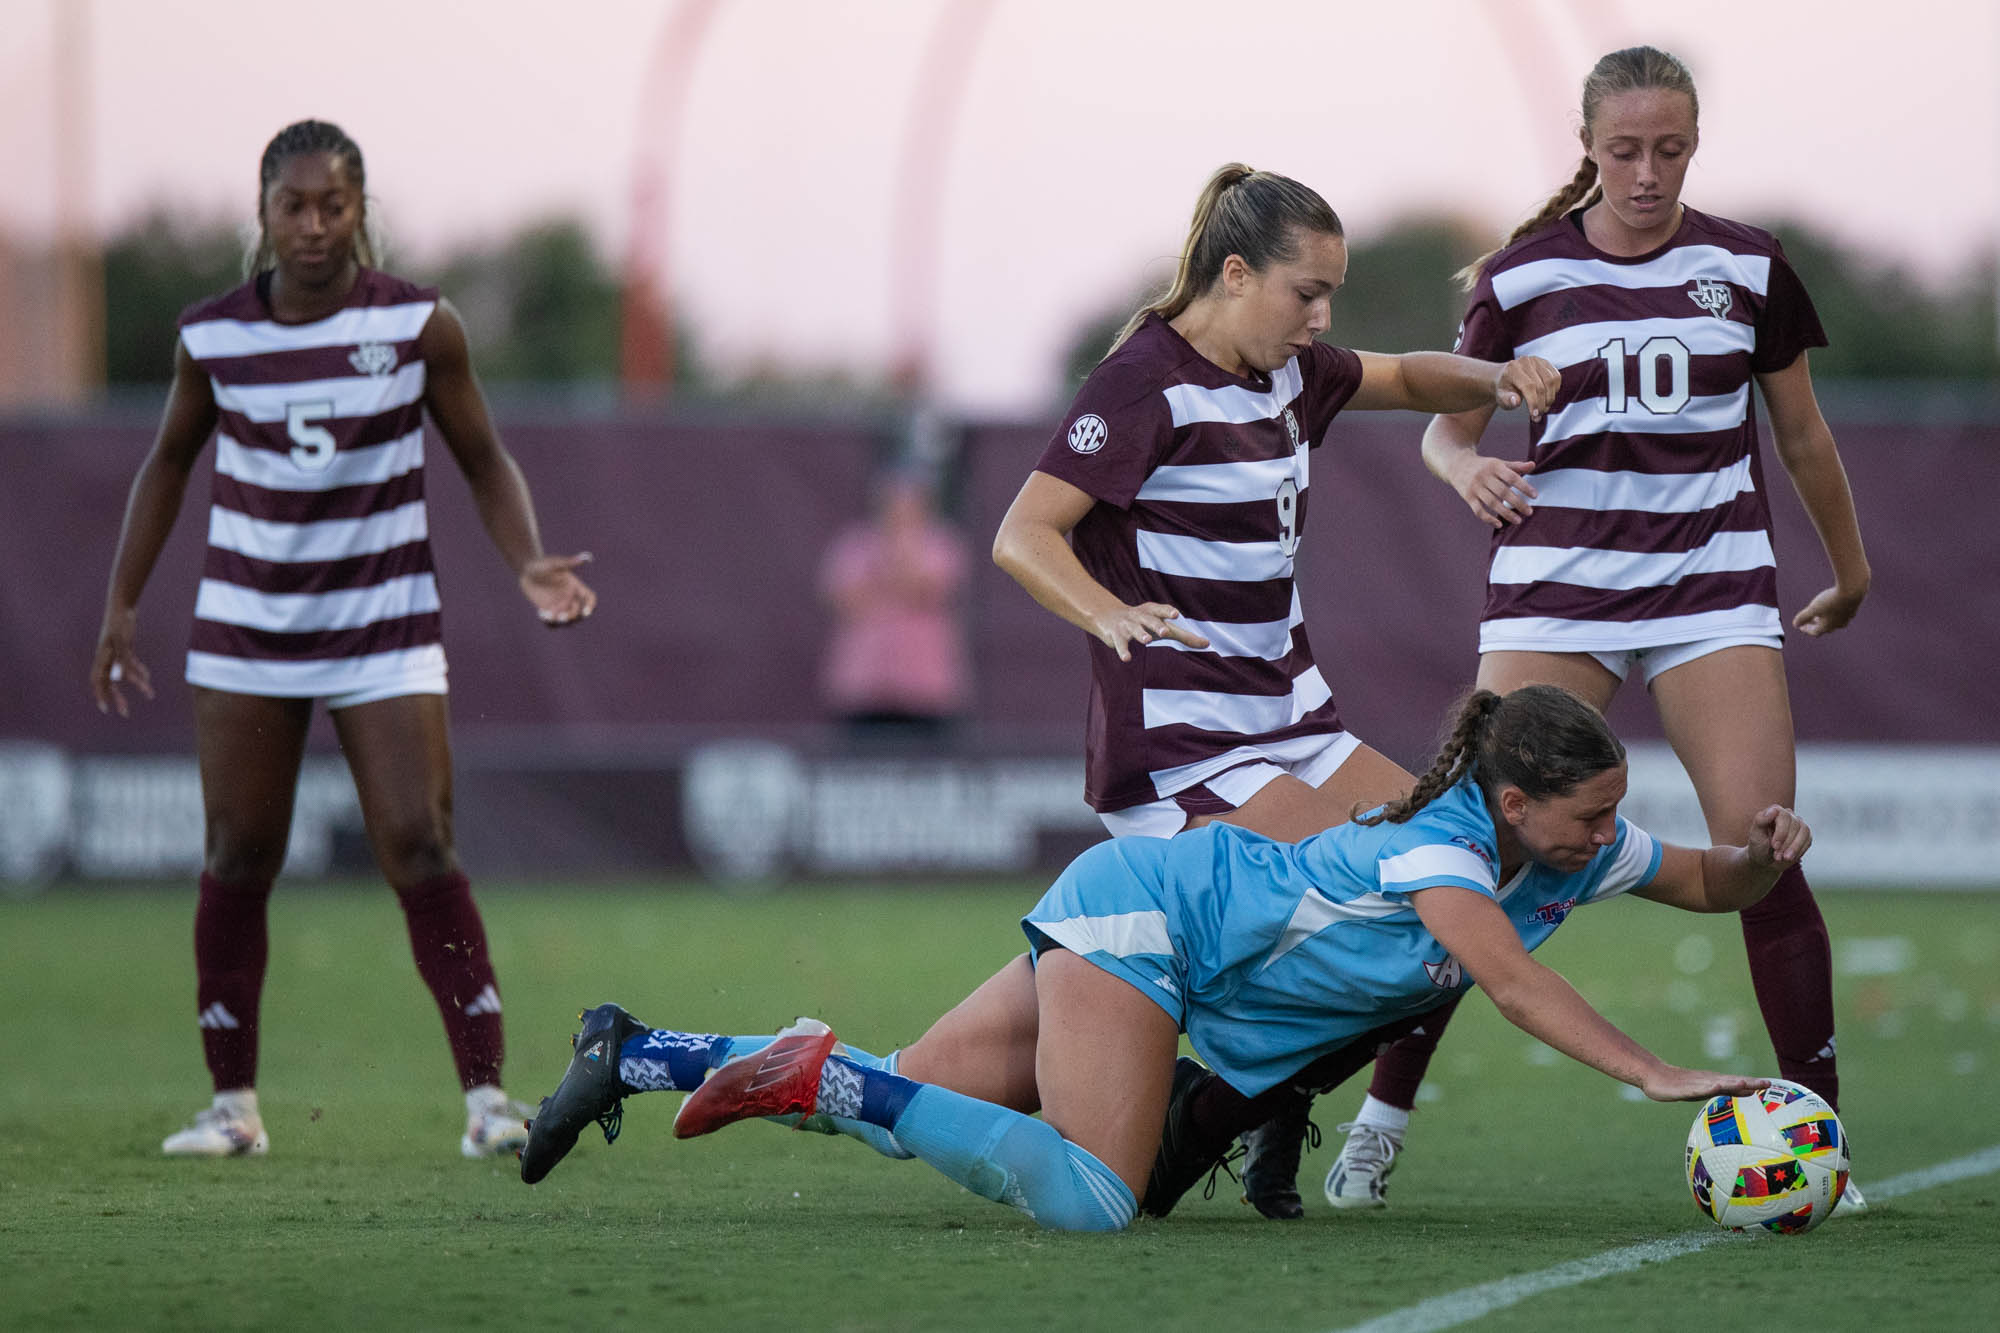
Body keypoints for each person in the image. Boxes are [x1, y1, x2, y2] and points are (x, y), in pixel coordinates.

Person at [516, 686, 1804, 1232]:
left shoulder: (1566, 848)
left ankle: (635, 1050)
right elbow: (1511, 984)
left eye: (1606, 815)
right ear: (1513, 803)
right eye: (1585, 816)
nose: (1603, 837)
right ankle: (811, 1073)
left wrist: (1761, 850)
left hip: (1140, 917)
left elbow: (1700, 876)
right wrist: (1647, 1072)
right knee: (1092, 1199)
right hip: (1148, 924)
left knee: (919, 1100)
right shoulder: (1442, 853)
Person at [1313, 46, 1871, 1215]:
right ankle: (1377, 1121)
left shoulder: (1747, 265)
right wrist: (1462, 470)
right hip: (1555, 592)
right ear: (1585, 148)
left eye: (1669, 150)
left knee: (1763, 854)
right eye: (1623, 151)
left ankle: (1821, 1136)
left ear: (1693, 147)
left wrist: (1849, 569)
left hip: (1710, 592)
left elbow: (1803, 437)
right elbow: (1442, 430)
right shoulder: (1520, 280)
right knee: (1469, 855)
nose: (1646, 173)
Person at [988, 163, 1562, 1215]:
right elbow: (1023, 534)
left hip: (1295, 723)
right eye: (1307, 293)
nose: (1321, 317)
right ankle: (1221, 1111)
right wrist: (1104, 613)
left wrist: (1494, 379)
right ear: (1237, 273)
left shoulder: (1292, 372)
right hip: (1184, 749)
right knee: (1413, 901)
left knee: (1470, 865)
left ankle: (1262, 1110)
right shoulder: (1139, 381)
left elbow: (1403, 377)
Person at [88, 119, 597, 1160]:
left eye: (333, 205)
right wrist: (121, 603)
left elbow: (483, 458)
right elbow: (167, 467)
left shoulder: (418, 326)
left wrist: (529, 560)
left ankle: (487, 1100)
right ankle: (232, 1107)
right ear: (263, 213)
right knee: (239, 854)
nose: (314, 225)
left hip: (382, 624)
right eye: (294, 206)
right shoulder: (213, 335)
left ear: (361, 211)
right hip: (246, 629)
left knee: (419, 842)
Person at [819, 466, 970, 748]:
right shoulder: (853, 544)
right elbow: (846, 600)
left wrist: (893, 560)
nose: (899, 510)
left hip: (926, 691)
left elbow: (926, 587)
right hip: (864, 687)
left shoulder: (942, 544)